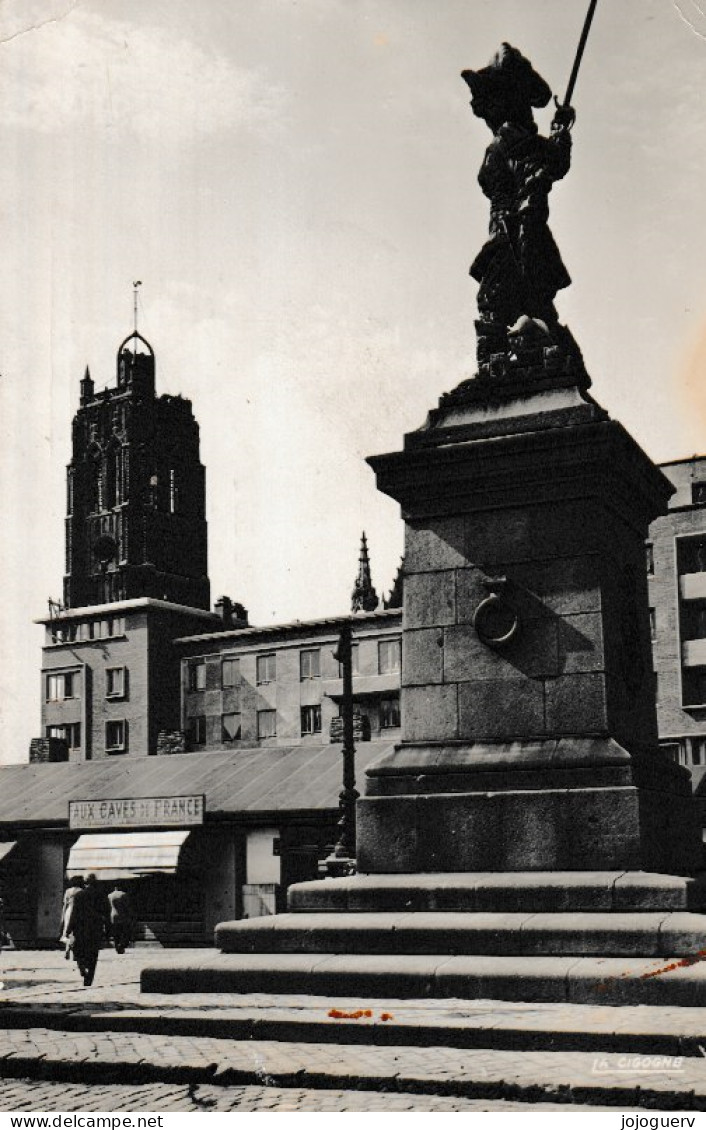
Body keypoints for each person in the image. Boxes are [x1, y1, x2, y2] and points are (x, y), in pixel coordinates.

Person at [461, 43, 578, 371]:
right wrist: (558, 137)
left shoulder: (513, 142)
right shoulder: (508, 142)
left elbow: (550, 164)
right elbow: (549, 164)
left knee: (524, 300)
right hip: (513, 230)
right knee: (505, 300)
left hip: (521, 229)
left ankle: (523, 351)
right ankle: (497, 359)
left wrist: (559, 133)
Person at [66, 873, 107, 986]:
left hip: (81, 928)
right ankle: (89, 979)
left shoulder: (79, 895)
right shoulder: (101, 896)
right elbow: (106, 913)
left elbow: (74, 913)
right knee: (93, 954)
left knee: (79, 951)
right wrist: (108, 930)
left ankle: (82, 967)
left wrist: (68, 929)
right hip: (95, 929)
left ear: (86, 883)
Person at [59, 875, 83, 959]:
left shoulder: (68, 891)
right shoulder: (81, 891)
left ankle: (67, 950)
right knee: (76, 932)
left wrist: (62, 916)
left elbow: (65, 904)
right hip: (78, 911)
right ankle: (75, 953)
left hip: (68, 911)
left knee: (67, 931)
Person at [107, 884, 134, 954]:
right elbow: (127, 905)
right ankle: (121, 945)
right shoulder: (123, 894)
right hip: (122, 915)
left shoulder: (109, 895)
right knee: (123, 931)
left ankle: (117, 945)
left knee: (116, 932)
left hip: (113, 914)